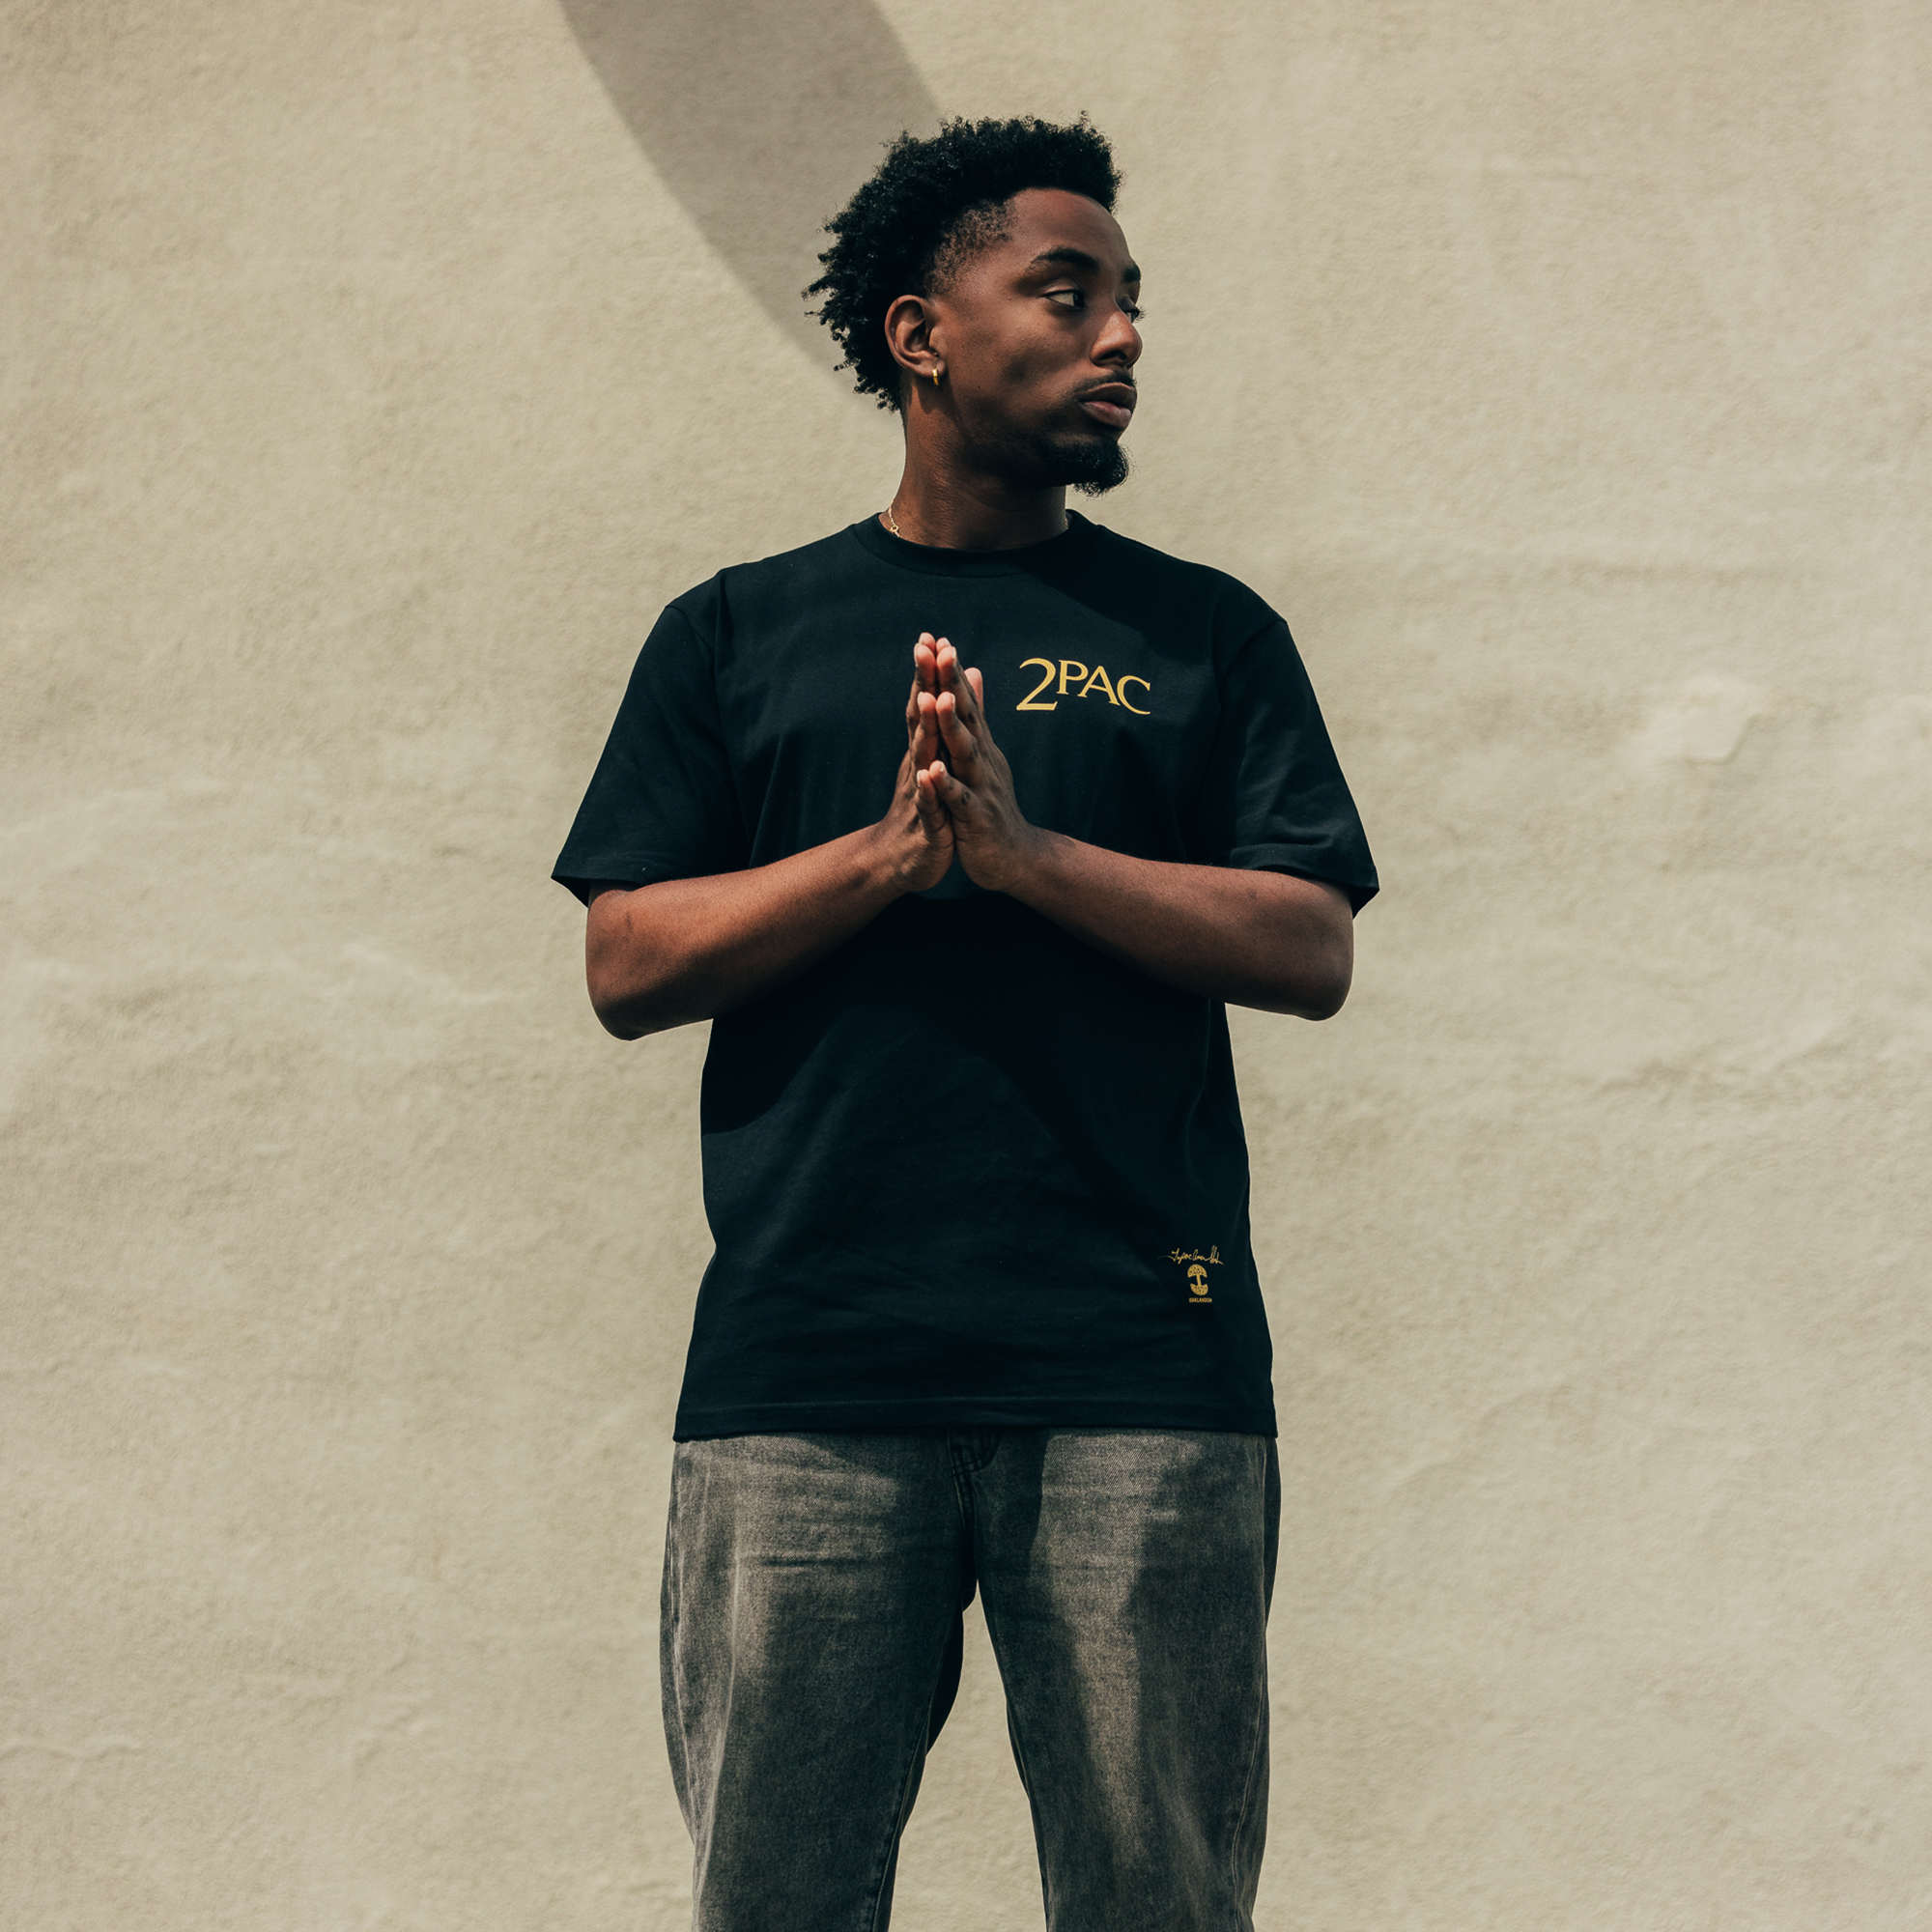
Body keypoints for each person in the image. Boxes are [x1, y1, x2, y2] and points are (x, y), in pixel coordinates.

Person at [554, 115, 1378, 1932]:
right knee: (774, 1899)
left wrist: (1022, 855)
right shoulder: (739, 634)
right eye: (1065, 292)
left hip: (1138, 1373)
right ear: (922, 335)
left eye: (1132, 302)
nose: (1123, 337)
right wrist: (887, 854)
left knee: (1159, 1899)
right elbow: (626, 960)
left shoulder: (1204, 634)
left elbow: (1308, 937)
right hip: (808, 1378)